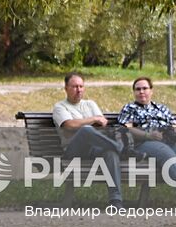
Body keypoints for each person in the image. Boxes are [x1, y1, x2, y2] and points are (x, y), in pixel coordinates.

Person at [52, 71, 125, 208]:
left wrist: (93, 122)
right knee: (86, 130)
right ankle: (121, 148)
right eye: (74, 87)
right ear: (66, 88)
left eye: (81, 86)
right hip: (73, 151)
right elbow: (69, 125)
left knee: (110, 152)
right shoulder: (60, 107)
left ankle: (116, 201)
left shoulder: (90, 104)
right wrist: (92, 120)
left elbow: (102, 123)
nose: (78, 90)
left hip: (93, 148)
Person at [116, 76, 176, 195]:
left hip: (167, 140)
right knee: (167, 154)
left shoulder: (162, 108)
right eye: (138, 89)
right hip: (142, 142)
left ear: (151, 91)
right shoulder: (129, 108)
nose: (141, 92)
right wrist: (148, 135)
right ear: (134, 92)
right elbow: (127, 128)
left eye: (145, 88)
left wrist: (175, 136)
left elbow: (175, 125)